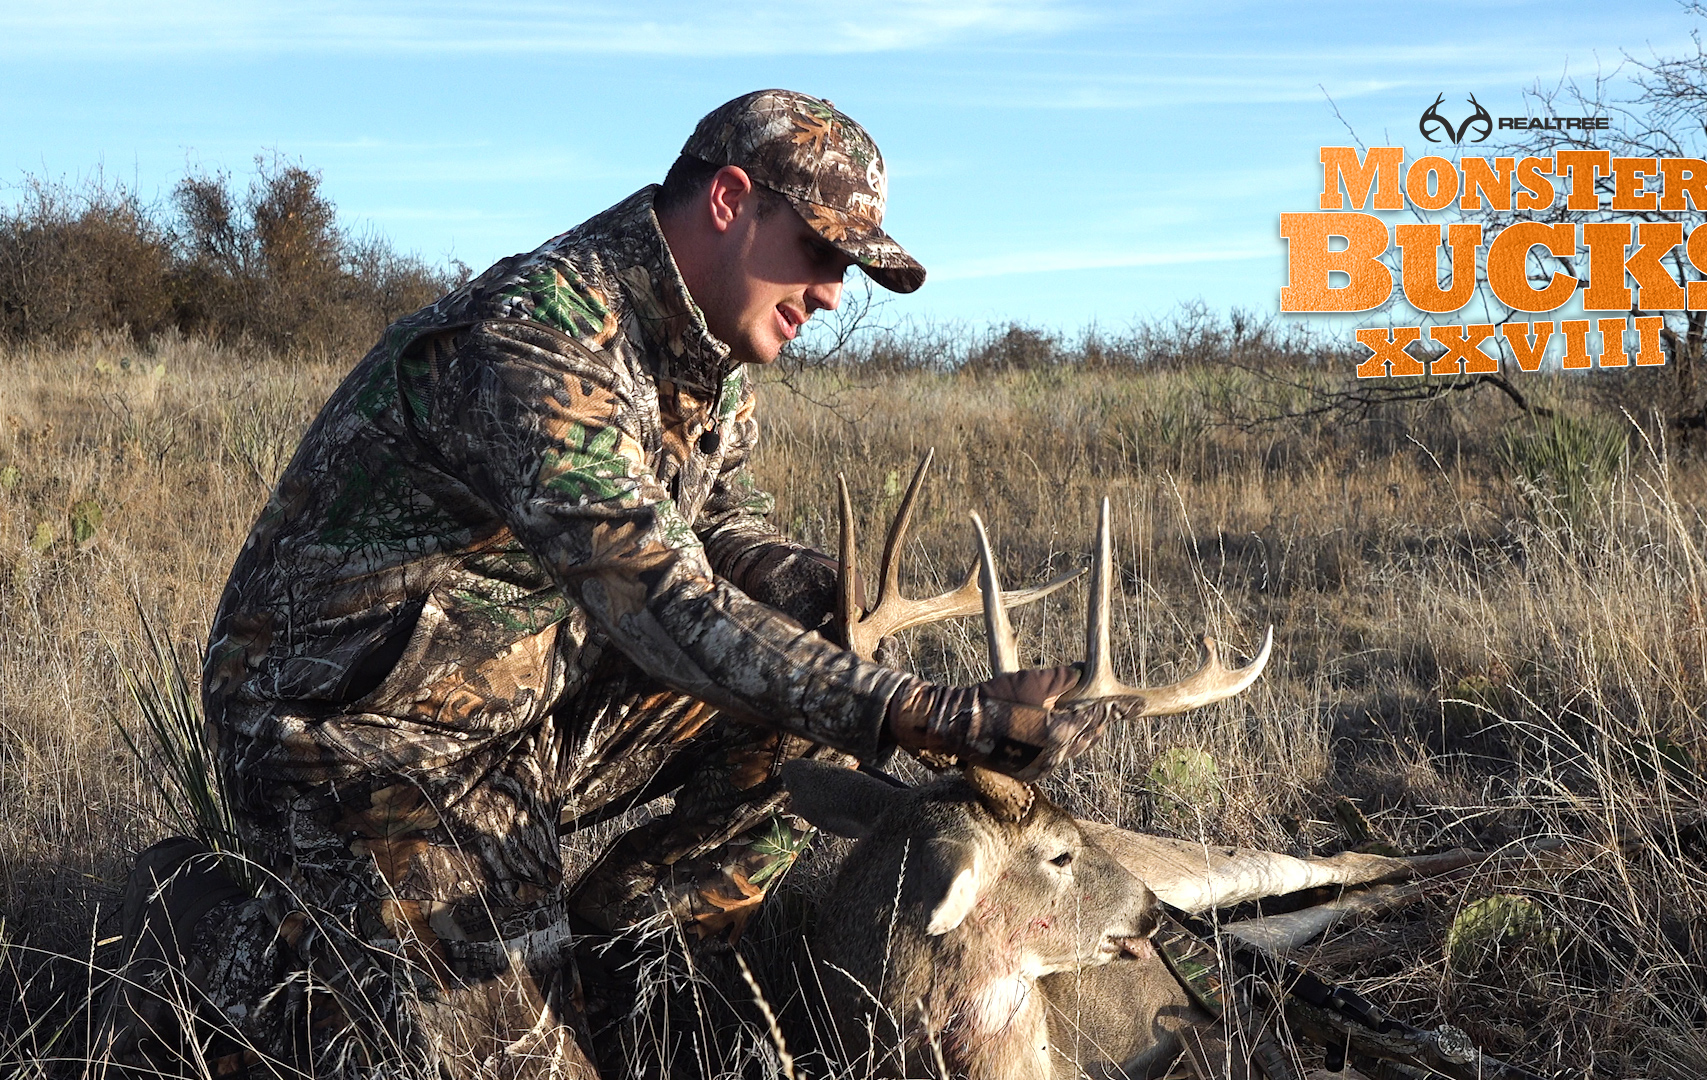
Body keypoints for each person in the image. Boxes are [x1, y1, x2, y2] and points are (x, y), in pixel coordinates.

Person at [100, 89, 1142, 1079]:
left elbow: (714, 534)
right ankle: (216, 943)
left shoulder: (709, 362)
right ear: (731, 201)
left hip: (527, 714)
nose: (832, 291)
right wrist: (919, 710)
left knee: (832, 649)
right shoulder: (538, 336)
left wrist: (825, 595)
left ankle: (630, 960)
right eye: (821, 251)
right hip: (358, 739)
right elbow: (653, 594)